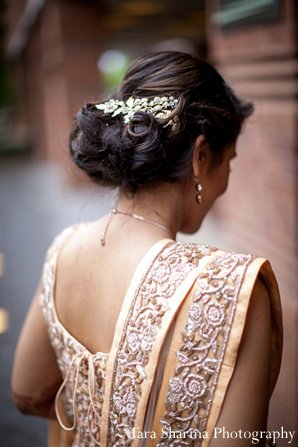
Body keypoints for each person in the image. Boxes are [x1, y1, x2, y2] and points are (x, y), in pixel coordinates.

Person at [12, 51, 282, 447]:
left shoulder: (63, 251)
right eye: (231, 162)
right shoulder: (229, 287)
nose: (227, 182)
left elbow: (26, 391)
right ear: (201, 154)